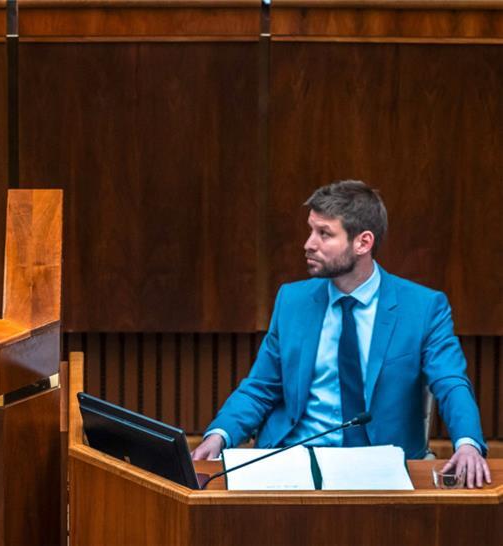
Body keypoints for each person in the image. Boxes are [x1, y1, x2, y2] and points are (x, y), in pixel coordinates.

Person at [192, 180, 491, 488]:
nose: (309, 243)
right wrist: (220, 434)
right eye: (311, 230)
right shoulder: (292, 301)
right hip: (289, 458)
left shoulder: (423, 308)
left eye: (324, 234)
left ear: (363, 243)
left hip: (376, 465)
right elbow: (261, 387)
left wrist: (467, 444)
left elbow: (451, 382)